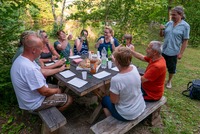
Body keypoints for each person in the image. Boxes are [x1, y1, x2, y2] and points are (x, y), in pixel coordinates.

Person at [10, 32, 73, 112]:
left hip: (31, 96)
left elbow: (42, 71)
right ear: (33, 50)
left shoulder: (23, 58)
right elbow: (44, 92)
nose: (41, 51)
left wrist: (59, 69)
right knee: (69, 99)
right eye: (40, 48)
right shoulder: (29, 68)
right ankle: (53, 115)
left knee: (59, 88)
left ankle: (55, 103)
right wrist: (57, 91)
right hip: (35, 103)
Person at [101, 47, 146, 121]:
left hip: (127, 114)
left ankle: (111, 121)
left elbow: (114, 101)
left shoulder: (116, 79)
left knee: (104, 99)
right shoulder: (134, 68)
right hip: (140, 106)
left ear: (118, 62)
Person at [160, 6, 190, 89]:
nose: (172, 16)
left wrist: (181, 53)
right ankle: (159, 79)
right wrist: (161, 29)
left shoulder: (185, 26)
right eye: (171, 14)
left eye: (174, 15)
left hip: (173, 51)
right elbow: (162, 35)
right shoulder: (169, 23)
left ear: (180, 15)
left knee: (171, 68)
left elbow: (185, 40)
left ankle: (169, 81)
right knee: (160, 65)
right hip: (163, 49)